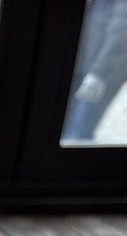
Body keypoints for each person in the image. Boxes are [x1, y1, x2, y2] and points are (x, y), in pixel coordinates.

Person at [65, 0, 127, 141]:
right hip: (85, 64)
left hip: (100, 71)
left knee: (77, 133)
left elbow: (123, 28)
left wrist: (100, 73)